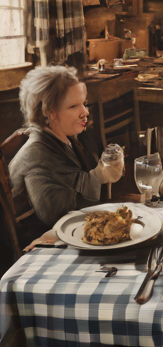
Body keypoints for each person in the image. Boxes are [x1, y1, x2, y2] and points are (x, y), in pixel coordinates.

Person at [9, 66, 124, 249]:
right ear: (49, 112)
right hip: (42, 247)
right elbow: (55, 213)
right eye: (73, 106)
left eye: (84, 103)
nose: (85, 112)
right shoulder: (37, 151)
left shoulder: (65, 139)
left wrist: (103, 174)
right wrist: (100, 176)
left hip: (67, 233)